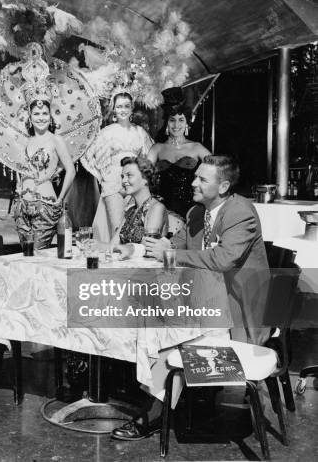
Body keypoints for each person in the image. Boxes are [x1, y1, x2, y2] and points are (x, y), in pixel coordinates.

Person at [111, 155, 269, 441]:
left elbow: (222, 259)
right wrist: (134, 250)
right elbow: (171, 247)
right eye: (195, 176)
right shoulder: (197, 213)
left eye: (202, 179)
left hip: (238, 309)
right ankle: (168, 396)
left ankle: (157, 411)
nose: (192, 182)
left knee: (167, 328)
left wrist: (170, 255)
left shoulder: (241, 212)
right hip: (203, 300)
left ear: (223, 186)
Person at [82, 92, 153, 244]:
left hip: (134, 182)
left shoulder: (140, 133)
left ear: (132, 108)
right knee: (117, 229)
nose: (123, 110)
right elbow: (87, 154)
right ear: (114, 109)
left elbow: (148, 158)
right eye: (119, 106)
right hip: (112, 182)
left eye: (127, 106)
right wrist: (100, 176)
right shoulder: (106, 132)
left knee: (135, 226)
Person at [12, 98, 76, 249]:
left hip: (45, 206)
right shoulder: (25, 141)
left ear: (50, 116)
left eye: (45, 113)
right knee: (26, 254)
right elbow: (19, 168)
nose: (41, 117)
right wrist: (18, 185)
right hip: (22, 206)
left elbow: (71, 170)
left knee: (37, 254)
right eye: (36, 114)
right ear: (30, 116)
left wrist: (60, 198)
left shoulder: (56, 140)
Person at [147, 87, 211, 217]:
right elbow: (144, 177)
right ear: (166, 123)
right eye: (172, 120)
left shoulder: (197, 147)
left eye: (181, 120)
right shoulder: (157, 148)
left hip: (192, 211)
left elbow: (218, 171)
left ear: (187, 122)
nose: (176, 125)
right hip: (162, 212)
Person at [115, 156, 168, 246]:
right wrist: (95, 244)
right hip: (127, 259)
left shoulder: (156, 208)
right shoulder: (130, 210)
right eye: (122, 177)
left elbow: (147, 247)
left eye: (129, 175)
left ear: (145, 179)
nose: (123, 181)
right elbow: (114, 244)